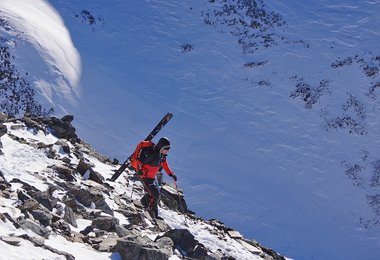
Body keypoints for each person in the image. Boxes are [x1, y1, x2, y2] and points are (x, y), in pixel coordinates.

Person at [130, 137, 177, 219]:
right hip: (145, 177)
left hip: (151, 177)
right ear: (161, 147)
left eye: (168, 149)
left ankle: (144, 206)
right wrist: (140, 170)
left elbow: (164, 164)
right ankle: (152, 214)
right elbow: (139, 161)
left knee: (151, 194)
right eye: (166, 149)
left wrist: (171, 174)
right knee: (155, 195)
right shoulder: (150, 153)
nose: (167, 151)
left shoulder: (162, 156)